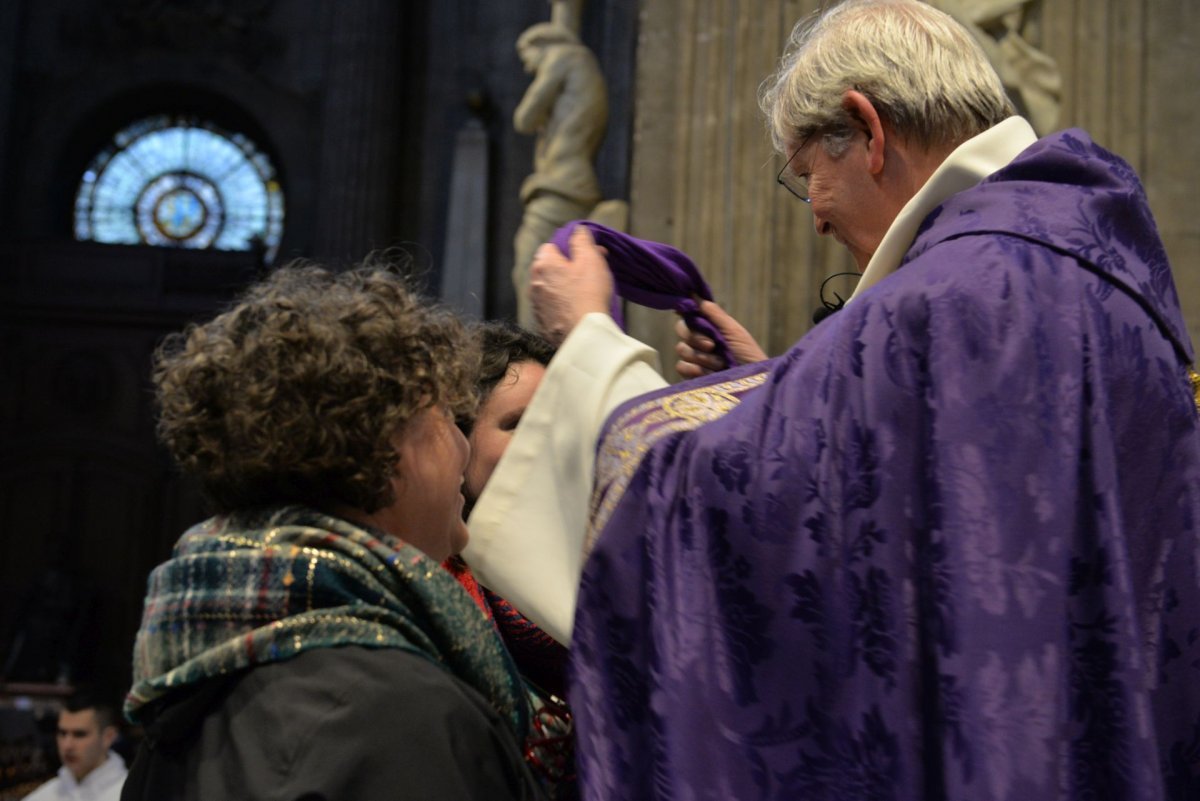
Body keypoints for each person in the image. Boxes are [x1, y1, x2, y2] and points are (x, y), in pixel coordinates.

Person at [466, 1, 1200, 799]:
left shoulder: (942, 303)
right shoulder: (1090, 266)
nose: (814, 216)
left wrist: (588, 346)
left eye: (805, 171)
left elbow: (725, 528)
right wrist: (784, 388)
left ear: (868, 129)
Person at [121, 264, 546, 800]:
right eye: (444, 417)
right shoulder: (401, 713)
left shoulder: (188, 692)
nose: (463, 449)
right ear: (388, 450)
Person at [511, 22, 608, 327]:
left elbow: (524, 119)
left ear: (543, 44)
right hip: (571, 180)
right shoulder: (582, 66)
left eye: (526, 55)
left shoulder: (565, 57)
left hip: (562, 184)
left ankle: (538, 353)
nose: (528, 67)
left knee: (529, 266)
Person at [22, 692, 126, 801]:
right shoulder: (46, 794)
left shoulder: (130, 794)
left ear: (108, 737)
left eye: (79, 734)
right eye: (62, 733)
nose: (67, 745)